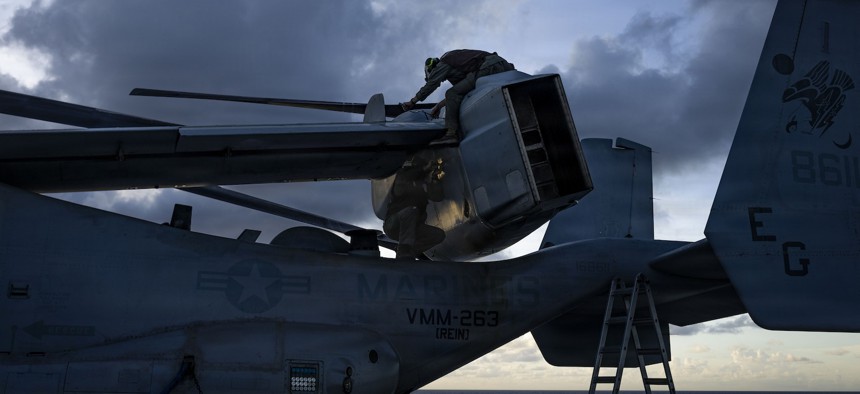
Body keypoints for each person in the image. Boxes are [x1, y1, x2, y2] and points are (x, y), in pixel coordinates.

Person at [402, 49, 515, 143]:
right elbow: (459, 93)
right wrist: (439, 106)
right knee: (454, 93)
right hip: (501, 64)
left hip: (488, 67)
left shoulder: (443, 62)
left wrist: (413, 101)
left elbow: (432, 84)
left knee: (451, 92)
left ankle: (451, 134)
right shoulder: (457, 65)